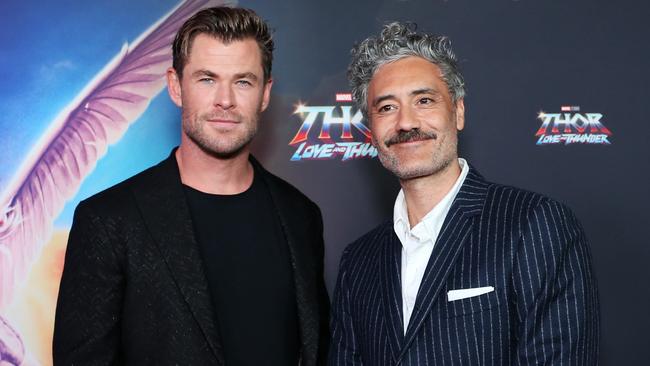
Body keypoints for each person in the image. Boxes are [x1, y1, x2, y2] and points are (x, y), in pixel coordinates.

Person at [53, 7, 329, 365]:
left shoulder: (301, 216)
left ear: (264, 93)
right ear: (175, 86)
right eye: (207, 79)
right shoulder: (108, 222)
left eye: (243, 81)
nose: (225, 100)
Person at [329, 22, 599, 365]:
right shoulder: (359, 261)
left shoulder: (535, 225)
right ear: (371, 130)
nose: (406, 122)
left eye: (424, 100)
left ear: (457, 111)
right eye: (386, 108)